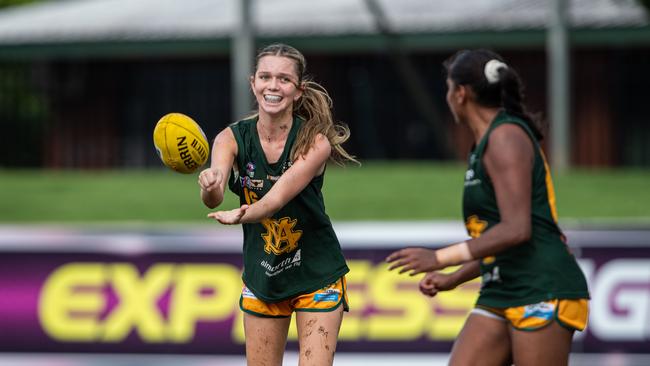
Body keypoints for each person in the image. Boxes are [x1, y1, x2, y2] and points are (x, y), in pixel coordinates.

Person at [386, 49, 590, 366]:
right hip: (501, 285)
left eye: (448, 87)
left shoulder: (506, 136)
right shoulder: (483, 144)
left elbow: (517, 229)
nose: (448, 95)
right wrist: (455, 276)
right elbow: (498, 236)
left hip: (541, 285)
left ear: (461, 93)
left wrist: (439, 257)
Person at [198, 43, 357, 366]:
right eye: (265, 76)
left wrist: (241, 215)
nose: (273, 85)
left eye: (283, 79)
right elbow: (214, 195)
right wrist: (209, 187)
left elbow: (274, 200)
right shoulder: (230, 138)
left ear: (298, 91)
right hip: (263, 275)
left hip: (317, 273)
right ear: (252, 83)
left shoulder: (315, 141)